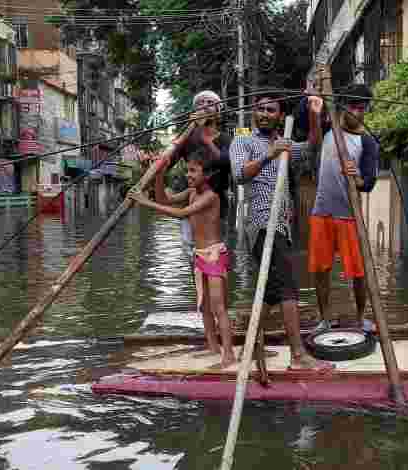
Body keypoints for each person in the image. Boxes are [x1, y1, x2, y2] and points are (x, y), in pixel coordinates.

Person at [229, 89, 334, 372]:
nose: (265, 114)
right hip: (262, 224)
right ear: (254, 111)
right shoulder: (243, 141)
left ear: (280, 117)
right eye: (261, 109)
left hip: (282, 226)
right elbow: (239, 175)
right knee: (288, 288)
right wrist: (268, 156)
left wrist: (314, 113)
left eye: (271, 110)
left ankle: (248, 348)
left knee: (271, 293)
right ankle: (298, 356)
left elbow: (312, 147)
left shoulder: (285, 144)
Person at [131, 149, 236, 368]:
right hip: (199, 256)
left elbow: (180, 214)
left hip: (215, 255)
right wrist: (159, 174)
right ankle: (212, 347)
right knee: (204, 307)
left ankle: (228, 356)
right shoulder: (191, 193)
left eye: (192, 171)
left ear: (206, 175)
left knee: (219, 308)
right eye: (187, 170)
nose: (188, 175)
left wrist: (143, 201)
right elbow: (164, 200)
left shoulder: (211, 196)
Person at [308, 83, 379, 332]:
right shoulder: (329, 127)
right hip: (321, 212)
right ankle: (324, 318)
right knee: (320, 269)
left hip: (349, 216)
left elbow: (367, 183)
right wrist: (314, 112)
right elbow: (313, 142)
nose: (356, 113)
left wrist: (355, 175)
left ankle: (361, 317)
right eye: (352, 107)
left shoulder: (367, 142)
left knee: (358, 271)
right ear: (342, 106)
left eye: (361, 109)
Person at [155, 90, 233, 313]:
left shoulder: (226, 138)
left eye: (211, 103)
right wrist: (157, 166)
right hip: (192, 205)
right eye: (200, 103)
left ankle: (221, 309)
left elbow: (228, 165)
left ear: (219, 110)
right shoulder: (188, 138)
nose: (205, 106)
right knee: (194, 258)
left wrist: (209, 143)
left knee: (219, 261)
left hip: (217, 208)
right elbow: (167, 163)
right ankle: (203, 304)